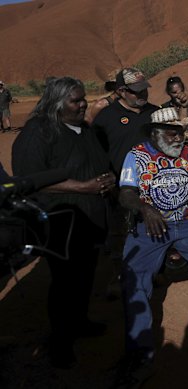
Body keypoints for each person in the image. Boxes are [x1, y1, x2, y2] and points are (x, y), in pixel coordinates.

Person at [115, 107, 188, 386]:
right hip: (149, 225)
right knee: (134, 277)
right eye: (173, 132)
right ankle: (141, 352)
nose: (179, 137)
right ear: (156, 134)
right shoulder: (137, 155)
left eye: (181, 131)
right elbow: (126, 193)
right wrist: (144, 209)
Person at [11, 77, 116, 368]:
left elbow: (96, 163)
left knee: (85, 275)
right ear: (57, 104)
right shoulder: (38, 132)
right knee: (64, 281)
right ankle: (60, 341)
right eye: (75, 100)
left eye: (83, 99)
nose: (83, 104)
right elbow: (27, 181)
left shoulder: (83, 129)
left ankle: (80, 323)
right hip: (60, 222)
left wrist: (107, 179)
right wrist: (82, 188)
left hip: (91, 217)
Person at [93, 67, 160, 177]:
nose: (143, 93)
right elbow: (96, 152)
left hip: (156, 180)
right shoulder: (106, 117)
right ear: (122, 91)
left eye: (144, 89)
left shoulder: (156, 112)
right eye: (137, 91)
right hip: (123, 185)